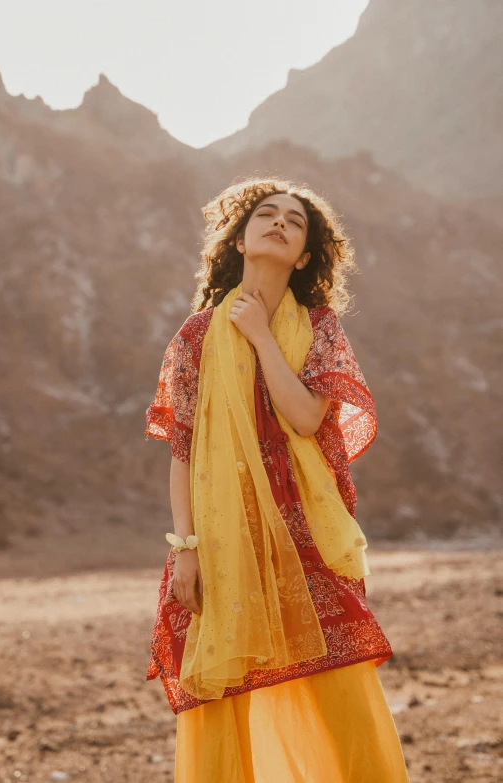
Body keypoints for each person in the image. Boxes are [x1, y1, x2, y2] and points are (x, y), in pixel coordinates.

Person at [144, 176, 410, 782]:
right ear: (239, 239)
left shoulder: (317, 328)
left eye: (296, 222)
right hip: (221, 538)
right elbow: (181, 451)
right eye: (266, 213)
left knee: (341, 681)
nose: (281, 223)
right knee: (226, 690)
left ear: (306, 254)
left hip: (306, 531)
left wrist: (261, 336)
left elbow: (307, 416)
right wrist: (184, 548)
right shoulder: (192, 339)